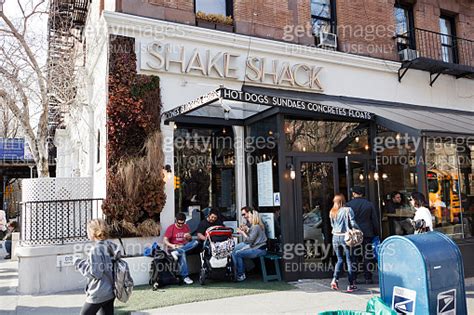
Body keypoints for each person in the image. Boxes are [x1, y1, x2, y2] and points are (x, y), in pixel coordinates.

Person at [74, 219, 117, 315]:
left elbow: (96, 273)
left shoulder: (95, 250)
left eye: (87, 230)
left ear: (92, 233)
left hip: (99, 292)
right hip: (111, 290)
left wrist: (79, 263)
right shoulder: (111, 246)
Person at [346, 186, 380, 284]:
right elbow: (374, 220)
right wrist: (376, 232)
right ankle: (368, 277)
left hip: (354, 234)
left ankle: (354, 277)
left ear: (354, 194)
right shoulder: (369, 204)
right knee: (367, 255)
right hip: (367, 233)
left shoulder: (348, 205)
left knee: (354, 255)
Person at [330, 194, 358, 292]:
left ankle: (335, 279)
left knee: (340, 259)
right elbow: (353, 223)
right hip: (345, 237)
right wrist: (358, 230)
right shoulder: (348, 210)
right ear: (343, 201)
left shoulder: (332, 212)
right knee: (349, 260)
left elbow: (332, 225)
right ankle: (351, 284)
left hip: (335, 237)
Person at [232, 208, 267, 282]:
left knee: (238, 253)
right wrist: (246, 230)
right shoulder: (257, 226)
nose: (248, 219)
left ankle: (241, 274)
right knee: (238, 252)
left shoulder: (256, 226)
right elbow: (252, 237)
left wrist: (242, 233)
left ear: (253, 218)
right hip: (258, 248)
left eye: (249, 217)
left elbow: (250, 240)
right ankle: (245, 270)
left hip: (259, 249)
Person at [163, 212, 199, 284]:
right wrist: (172, 245)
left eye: (182, 223)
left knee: (195, 242)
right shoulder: (171, 228)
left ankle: (177, 253)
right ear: (176, 220)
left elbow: (190, 240)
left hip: (184, 246)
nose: (180, 225)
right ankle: (185, 277)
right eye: (179, 223)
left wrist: (189, 238)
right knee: (182, 252)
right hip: (173, 247)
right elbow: (165, 240)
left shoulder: (186, 227)